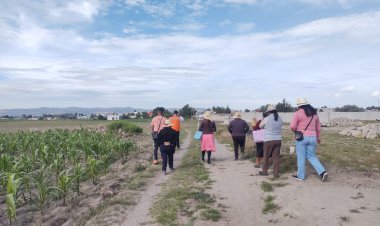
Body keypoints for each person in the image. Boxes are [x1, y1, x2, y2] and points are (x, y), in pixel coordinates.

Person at [290, 98, 328, 182]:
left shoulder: (297, 113)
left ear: (299, 106)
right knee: (311, 156)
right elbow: (318, 128)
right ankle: (322, 172)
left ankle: (301, 176)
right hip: (313, 137)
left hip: (302, 138)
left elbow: (292, 126)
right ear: (307, 104)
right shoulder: (315, 115)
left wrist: (296, 131)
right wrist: (318, 138)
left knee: (301, 156)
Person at [259, 105, 283, 178]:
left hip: (269, 140)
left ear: (269, 112)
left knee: (266, 156)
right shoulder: (280, 118)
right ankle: (275, 174)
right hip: (278, 139)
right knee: (276, 157)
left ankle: (265, 171)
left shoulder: (266, 118)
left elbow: (260, 126)